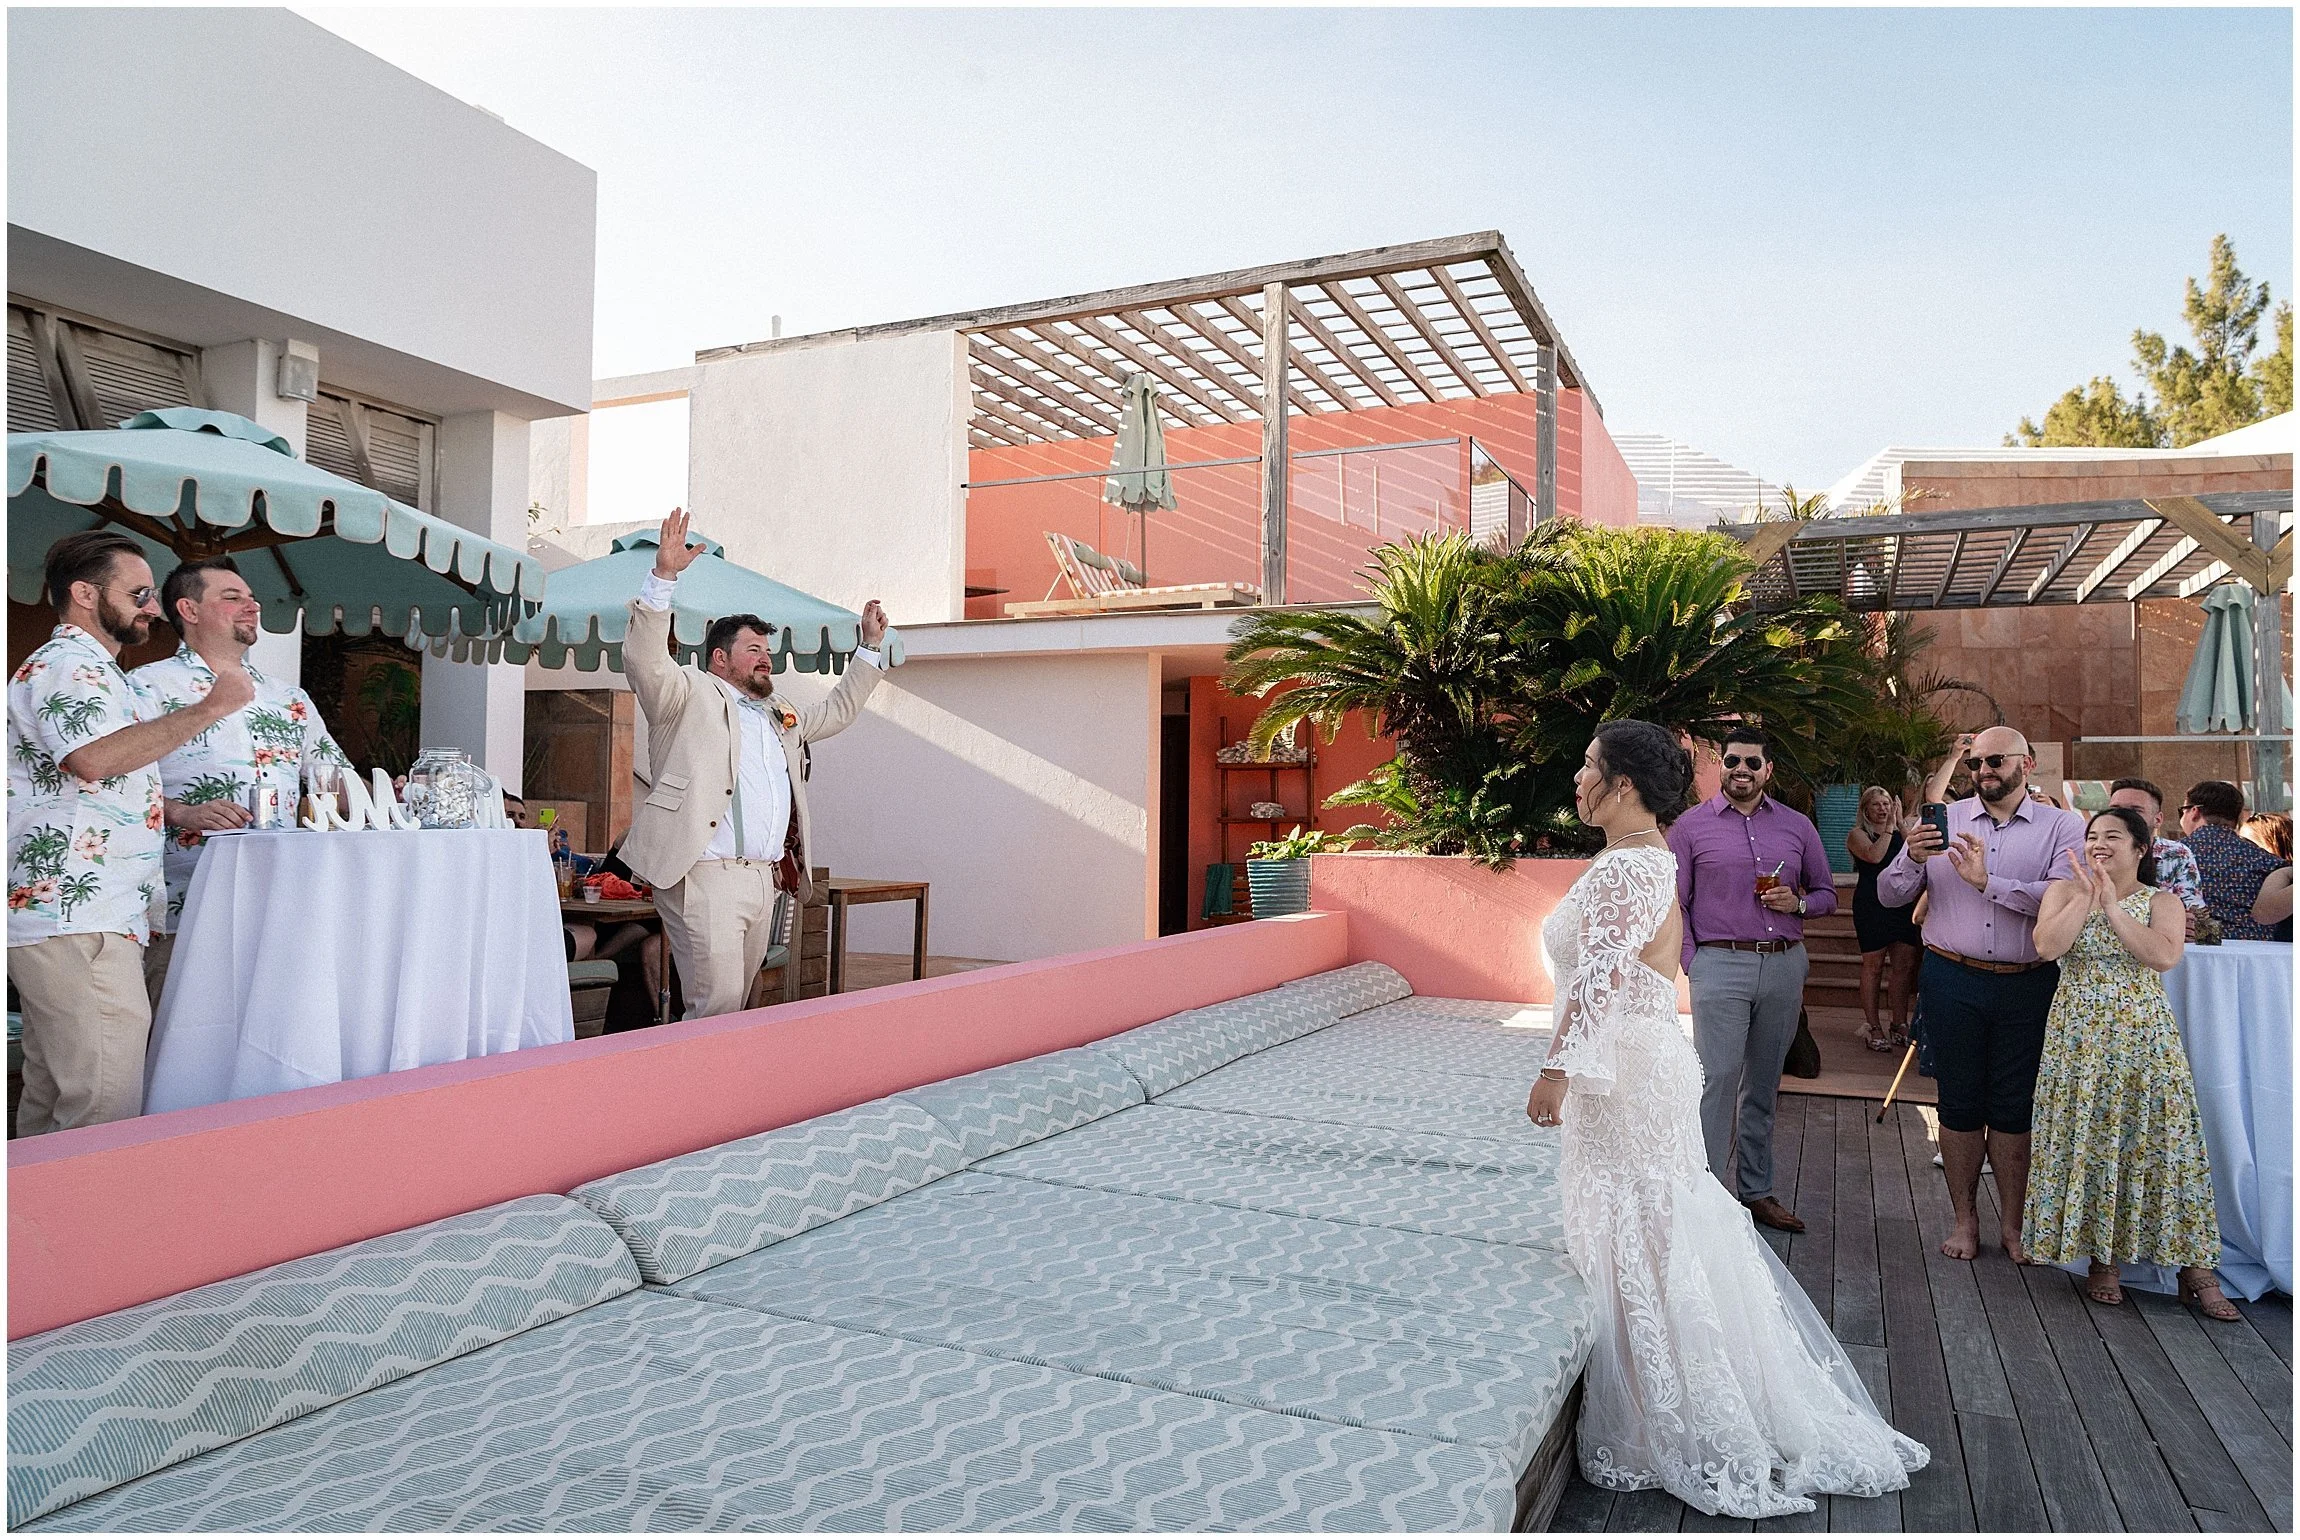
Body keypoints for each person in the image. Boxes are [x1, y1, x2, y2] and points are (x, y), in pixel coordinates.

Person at [1526, 720, 1925, 1517]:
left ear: (1624, 786)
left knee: (1644, 1224)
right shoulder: (1647, 858)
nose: (1576, 777)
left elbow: (1601, 978)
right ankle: (1669, 1386)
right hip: (1646, 1066)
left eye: (1586, 765)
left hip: (1630, 1075)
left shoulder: (1625, 869)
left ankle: (1667, 1409)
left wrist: (1555, 1072)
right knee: (1653, 1220)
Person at [6, 532, 255, 1134]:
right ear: (85, 594)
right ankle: (83, 1227)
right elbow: (93, 759)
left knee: (56, 1093)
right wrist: (209, 708)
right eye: (139, 593)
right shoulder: (68, 666)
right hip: (78, 912)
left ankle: (33, 1223)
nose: (152, 606)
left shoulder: (96, 670)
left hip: (81, 911)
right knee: (101, 1102)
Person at [618, 507, 887, 1019]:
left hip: (763, 880)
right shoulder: (686, 694)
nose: (766, 657)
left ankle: (721, 1095)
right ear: (719, 658)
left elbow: (835, 712)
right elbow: (645, 659)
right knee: (714, 1007)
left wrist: (869, 649)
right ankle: (696, 1098)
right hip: (705, 874)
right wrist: (664, 577)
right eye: (753, 649)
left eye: (767, 649)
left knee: (738, 1007)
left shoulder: (777, 712)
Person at [1880, 725, 2084, 1261]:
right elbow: (1889, 895)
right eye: (1975, 763)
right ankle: (1965, 1221)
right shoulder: (1943, 821)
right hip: (1952, 979)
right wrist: (1911, 858)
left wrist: (1985, 883)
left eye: (1996, 760)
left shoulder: (2063, 827)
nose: (1984, 771)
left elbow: (2059, 901)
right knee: (1959, 1104)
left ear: (2027, 762)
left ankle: (2014, 1227)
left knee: (2016, 1108)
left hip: (2028, 982)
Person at [2024, 806, 2236, 1320]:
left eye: (2112, 837)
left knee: (2165, 1144)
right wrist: (2087, 898)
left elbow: (2163, 957)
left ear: (2141, 848)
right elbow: (2047, 946)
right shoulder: (2061, 892)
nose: (2099, 844)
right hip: (2079, 1042)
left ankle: (2196, 1269)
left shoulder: (2163, 901)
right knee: (2094, 1140)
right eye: (2093, 836)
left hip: (2144, 1040)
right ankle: (2103, 1260)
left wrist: (2115, 908)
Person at [131, 556, 351, 1005]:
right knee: (171, 1042)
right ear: (188, 610)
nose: (252, 606)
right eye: (232, 598)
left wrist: (395, 795)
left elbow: (334, 781)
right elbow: (115, 785)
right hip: (183, 904)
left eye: (251, 598)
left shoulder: (289, 696)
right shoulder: (144, 687)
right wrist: (182, 812)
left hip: (279, 904)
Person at [1666, 725, 1837, 1234]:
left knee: (1763, 1083)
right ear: (1721, 766)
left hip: (1784, 963)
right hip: (1720, 965)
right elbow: (1676, 903)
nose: (1742, 770)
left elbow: (1827, 892)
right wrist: (1695, 962)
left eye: (1752, 763)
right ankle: (1707, 1193)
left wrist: (1799, 903)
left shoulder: (1797, 826)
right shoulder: (1691, 828)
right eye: (1733, 761)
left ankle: (1756, 1191)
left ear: (1768, 770)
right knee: (1716, 1080)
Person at [1847, 785, 1921, 1053]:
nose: (1883, 809)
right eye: (1877, 804)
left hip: (1901, 904)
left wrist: (1900, 824)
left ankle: (1899, 1022)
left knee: (1903, 965)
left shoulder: (1899, 830)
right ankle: (1873, 1025)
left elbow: (1917, 849)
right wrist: (1890, 828)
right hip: (1871, 905)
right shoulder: (1857, 834)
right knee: (1873, 966)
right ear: (1866, 808)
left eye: (1887, 803)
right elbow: (1874, 855)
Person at [2180, 781, 2286, 941]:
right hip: (2258, 955)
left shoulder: (2174, 854)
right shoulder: (2265, 859)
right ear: (2237, 819)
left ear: (2194, 812)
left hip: (2193, 952)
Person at [2105, 778, 2207, 939]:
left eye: (2136, 810)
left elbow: (2190, 920)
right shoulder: (2092, 852)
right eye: (2115, 809)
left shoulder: (2177, 854)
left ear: (2158, 819)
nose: (2123, 816)